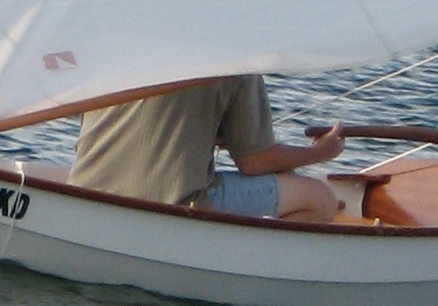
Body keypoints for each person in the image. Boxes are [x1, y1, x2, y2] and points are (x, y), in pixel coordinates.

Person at [71, 74, 348, 223]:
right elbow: (255, 162)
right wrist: (320, 153)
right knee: (321, 199)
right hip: (172, 203)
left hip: (86, 192)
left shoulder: (122, 47)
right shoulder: (235, 64)